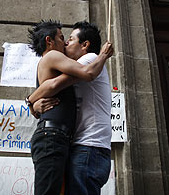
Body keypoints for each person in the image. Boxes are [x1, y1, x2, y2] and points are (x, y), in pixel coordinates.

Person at [27, 20, 113, 195]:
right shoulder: (54, 57)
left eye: (70, 39)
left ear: (85, 45)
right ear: (49, 41)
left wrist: (31, 101)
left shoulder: (89, 58)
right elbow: (54, 85)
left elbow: (54, 85)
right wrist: (31, 102)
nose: (65, 42)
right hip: (58, 138)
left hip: (81, 144)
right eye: (62, 37)